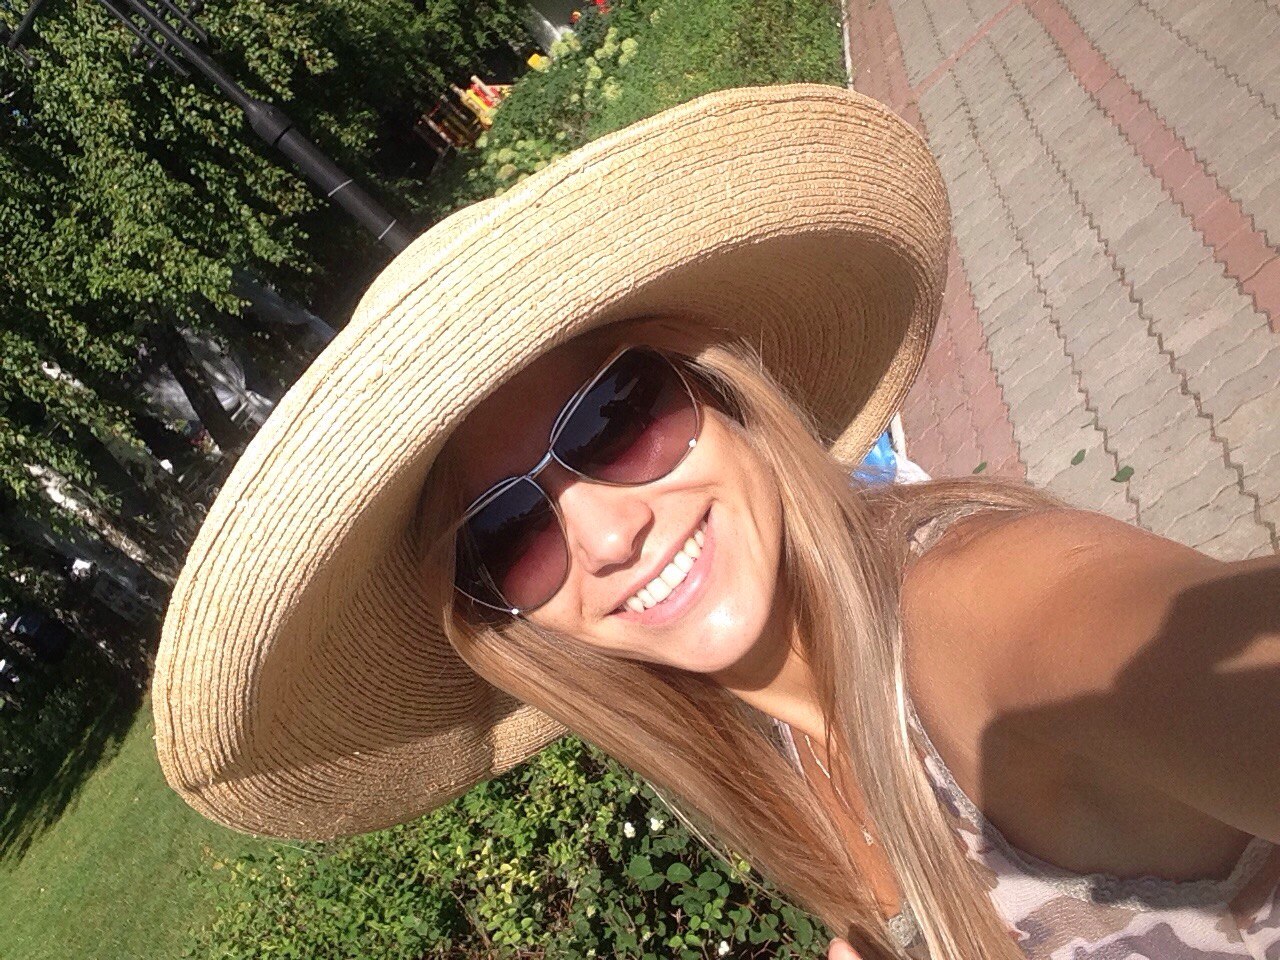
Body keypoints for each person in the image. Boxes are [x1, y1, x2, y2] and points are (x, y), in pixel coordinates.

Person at [152, 84, 1280, 959]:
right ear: (496, 618)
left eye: (614, 419)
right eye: (507, 535)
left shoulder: (977, 614)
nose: (606, 537)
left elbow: (1171, 649)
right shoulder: (769, 737)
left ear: (723, 389)